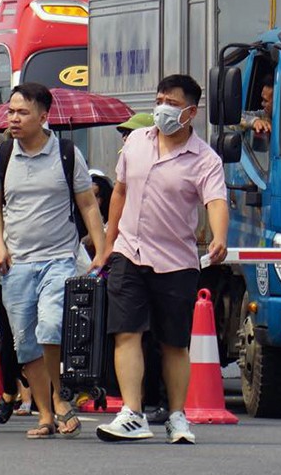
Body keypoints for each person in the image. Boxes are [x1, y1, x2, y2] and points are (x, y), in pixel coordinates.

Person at [97, 75, 229, 445]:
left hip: (176, 260)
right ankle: (132, 413)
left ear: (191, 112)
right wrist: (108, 245)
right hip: (129, 251)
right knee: (126, 332)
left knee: (173, 343)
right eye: (159, 100)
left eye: (170, 102)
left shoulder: (205, 159)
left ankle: (175, 415)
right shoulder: (137, 141)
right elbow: (119, 192)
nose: (162, 108)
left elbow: (216, 201)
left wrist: (219, 237)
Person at [0, 83, 106, 439]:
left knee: (51, 327)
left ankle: (60, 399)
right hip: (16, 264)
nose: (14, 119)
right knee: (25, 343)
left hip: (59, 259)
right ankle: (45, 415)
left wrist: (101, 248)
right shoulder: (1, 156)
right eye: (11, 112)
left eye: (22, 112)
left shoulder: (66, 153)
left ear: (43, 116)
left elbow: (87, 204)